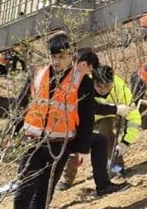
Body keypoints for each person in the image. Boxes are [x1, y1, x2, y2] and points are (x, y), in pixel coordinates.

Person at [9, 48, 98, 209]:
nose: (57, 61)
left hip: (60, 142)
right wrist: (13, 130)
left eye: (61, 57)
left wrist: (82, 147)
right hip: (33, 139)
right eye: (54, 57)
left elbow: (87, 116)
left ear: (70, 57)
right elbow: (21, 102)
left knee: (47, 186)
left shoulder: (82, 81)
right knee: (25, 185)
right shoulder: (39, 74)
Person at [57, 65, 133, 196]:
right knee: (73, 146)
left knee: (106, 137)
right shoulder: (84, 86)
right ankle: (67, 179)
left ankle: (117, 167)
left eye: (107, 86)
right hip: (84, 118)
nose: (103, 90)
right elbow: (89, 107)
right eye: (100, 86)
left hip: (105, 115)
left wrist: (126, 141)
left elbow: (135, 117)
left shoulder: (120, 89)